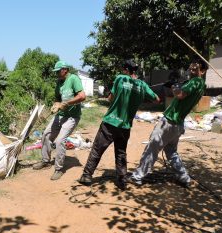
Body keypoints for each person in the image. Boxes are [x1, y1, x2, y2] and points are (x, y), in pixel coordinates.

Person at [77, 59, 160, 189]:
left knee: (97, 149)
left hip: (110, 122)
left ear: (126, 70)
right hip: (125, 126)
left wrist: (111, 96)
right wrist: (143, 92)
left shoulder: (120, 78)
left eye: (123, 69)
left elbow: (110, 98)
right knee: (121, 152)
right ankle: (121, 179)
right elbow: (157, 100)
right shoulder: (142, 85)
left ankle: (87, 176)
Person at [127, 58, 209, 187]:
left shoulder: (195, 82)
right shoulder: (201, 85)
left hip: (169, 122)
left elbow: (180, 95)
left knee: (152, 148)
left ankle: (137, 176)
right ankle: (184, 178)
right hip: (178, 124)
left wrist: (174, 88)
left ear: (203, 71)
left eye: (195, 69)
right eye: (191, 68)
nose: (191, 71)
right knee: (171, 152)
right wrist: (178, 87)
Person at [33, 60, 86, 180]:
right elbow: (57, 98)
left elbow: (82, 96)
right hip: (60, 115)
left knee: (60, 140)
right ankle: (45, 161)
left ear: (65, 70)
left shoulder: (73, 79)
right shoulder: (59, 82)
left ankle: (58, 169)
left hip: (72, 116)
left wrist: (66, 103)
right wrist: (56, 105)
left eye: (58, 71)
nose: (56, 73)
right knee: (46, 134)